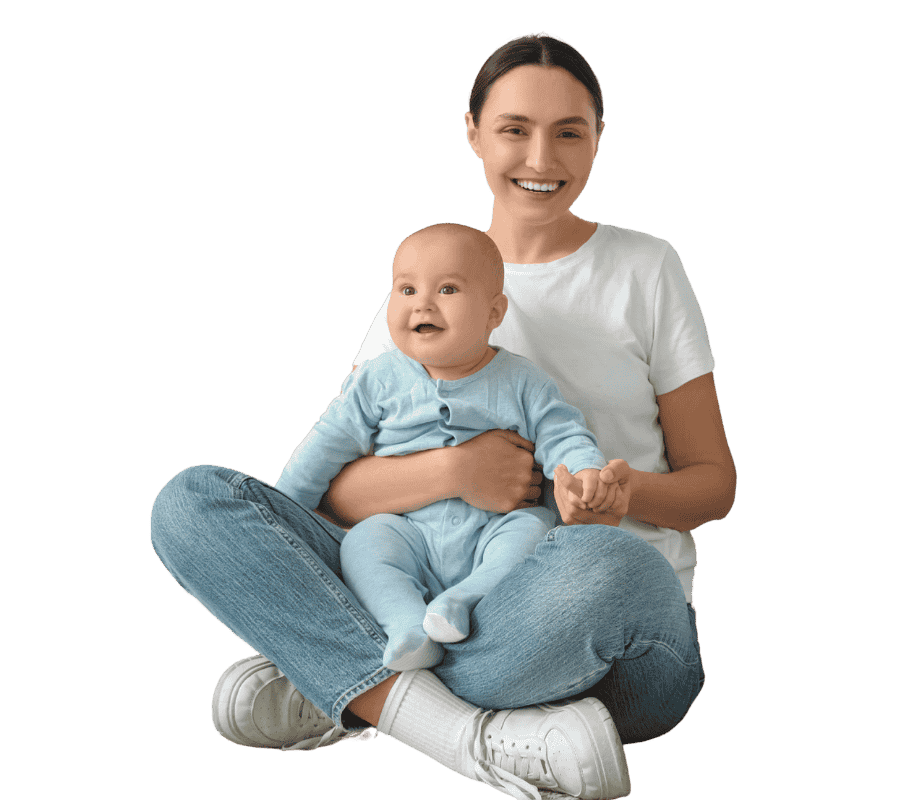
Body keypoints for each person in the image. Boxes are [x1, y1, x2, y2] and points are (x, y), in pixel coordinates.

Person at [150, 31, 736, 800]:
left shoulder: (646, 267)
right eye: (514, 129)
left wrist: (623, 494)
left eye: (569, 132)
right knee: (190, 502)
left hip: (590, 622)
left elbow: (713, 484)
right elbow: (333, 489)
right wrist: (457, 471)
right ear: (473, 133)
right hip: (417, 588)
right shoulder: (426, 276)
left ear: (599, 138)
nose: (541, 157)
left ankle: (350, 683)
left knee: (608, 563)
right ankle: (463, 732)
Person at [277, 222, 612, 673]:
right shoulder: (376, 381)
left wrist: (586, 472)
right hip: (408, 532)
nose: (423, 303)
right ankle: (406, 626)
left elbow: (563, 433)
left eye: (448, 289)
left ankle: (463, 601)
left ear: (494, 312)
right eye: (407, 289)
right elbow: (322, 449)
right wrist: (281, 513)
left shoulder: (523, 381)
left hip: (493, 531)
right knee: (364, 543)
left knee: (534, 530)